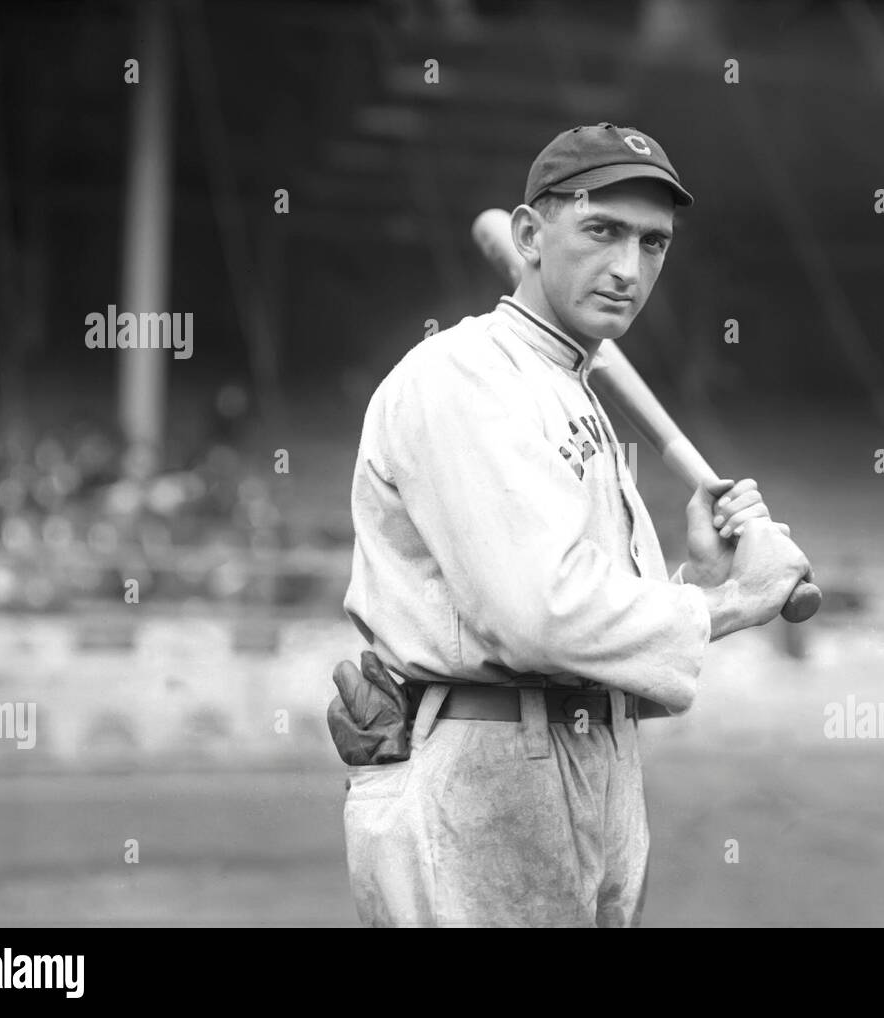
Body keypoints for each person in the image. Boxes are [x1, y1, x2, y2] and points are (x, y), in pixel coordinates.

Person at [329, 122, 813, 927]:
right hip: (477, 777)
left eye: (653, 243)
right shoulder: (465, 378)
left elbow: (595, 638)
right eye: (602, 230)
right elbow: (538, 617)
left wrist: (702, 582)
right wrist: (740, 604)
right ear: (528, 235)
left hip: (583, 766)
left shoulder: (568, 387)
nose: (628, 268)